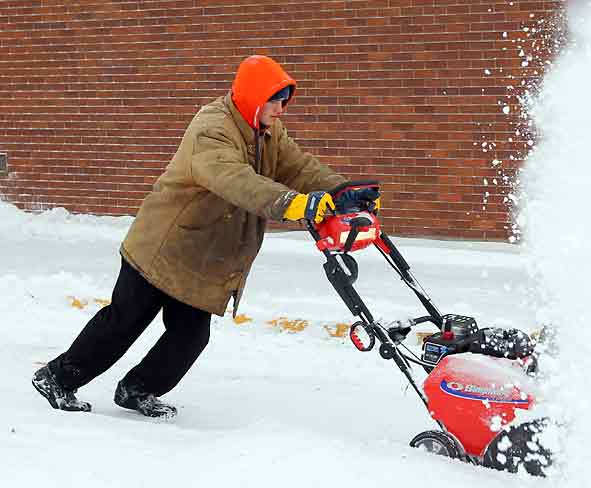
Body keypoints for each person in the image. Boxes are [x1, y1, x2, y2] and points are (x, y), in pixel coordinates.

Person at [31, 55, 380, 418]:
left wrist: (343, 192)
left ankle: (137, 389)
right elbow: (235, 180)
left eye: (285, 100)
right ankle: (56, 377)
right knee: (125, 322)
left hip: (202, 257)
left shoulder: (267, 132)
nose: (281, 108)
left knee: (190, 336)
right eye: (275, 99)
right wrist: (293, 203)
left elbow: (299, 167)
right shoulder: (212, 128)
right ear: (253, 96)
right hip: (164, 245)